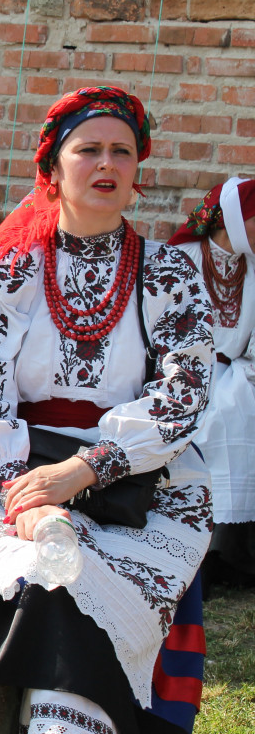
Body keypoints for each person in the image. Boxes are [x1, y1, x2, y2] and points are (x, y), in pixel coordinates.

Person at [0, 86, 213, 734]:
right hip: (15, 472)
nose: (106, 164)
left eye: (121, 152)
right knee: (46, 572)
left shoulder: (168, 272)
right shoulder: (8, 271)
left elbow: (184, 391)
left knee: (92, 581)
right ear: (52, 168)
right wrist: (23, 489)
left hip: (139, 481)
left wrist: (86, 469)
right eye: (88, 149)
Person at [169, 178, 255, 588]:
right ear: (235, 218)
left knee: (238, 408)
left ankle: (232, 553)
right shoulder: (183, 259)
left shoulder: (251, 267)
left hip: (234, 370)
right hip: (179, 370)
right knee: (211, 418)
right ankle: (195, 551)